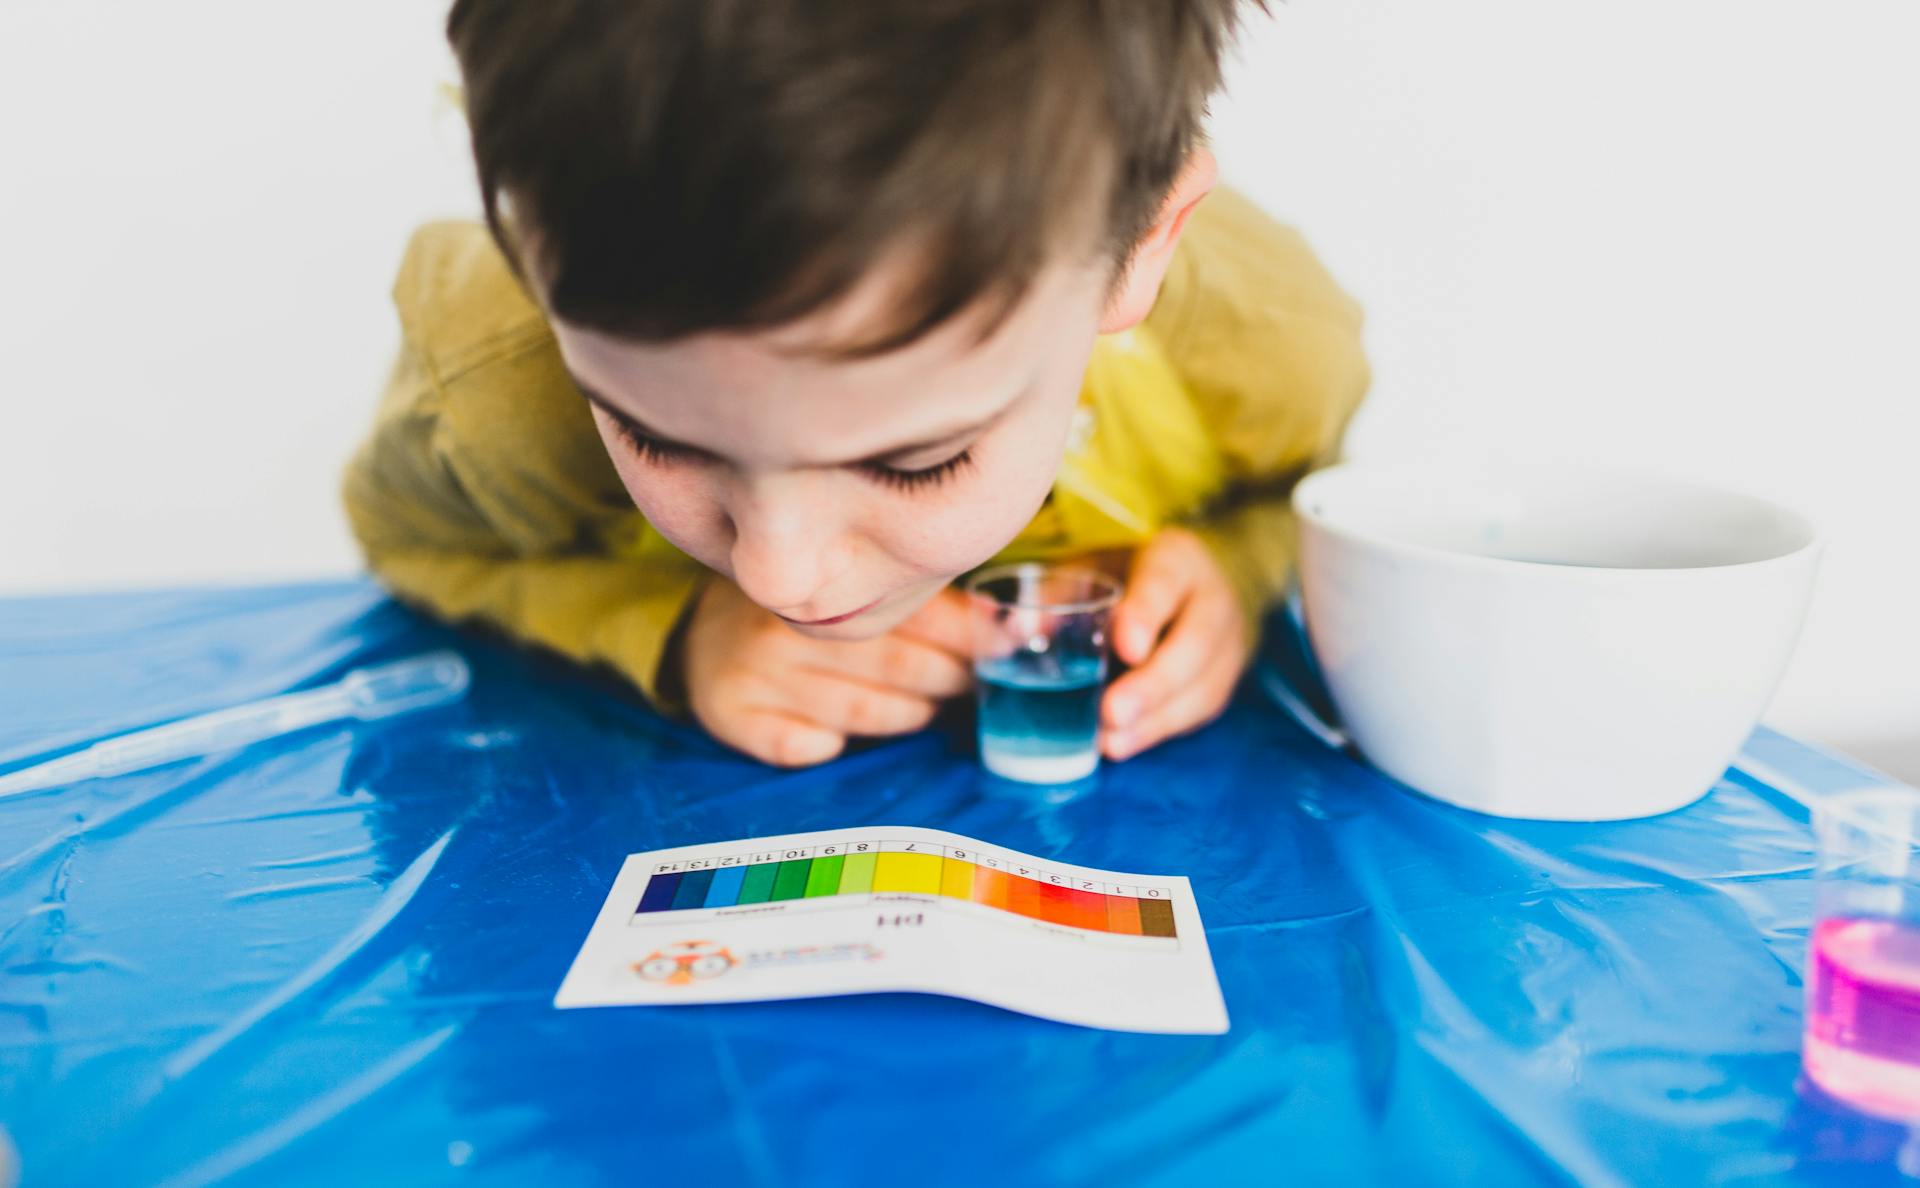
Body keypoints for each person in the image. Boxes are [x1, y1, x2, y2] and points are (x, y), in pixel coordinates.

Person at [342, 0, 1370, 769]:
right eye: (656, 437)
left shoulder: (1267, 345)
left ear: (1140, 251)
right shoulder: (497, 377)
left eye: (915, 462)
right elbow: (410, 537)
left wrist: (1238, 571)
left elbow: (1306, 500)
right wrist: (663, 627)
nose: (780, 576)